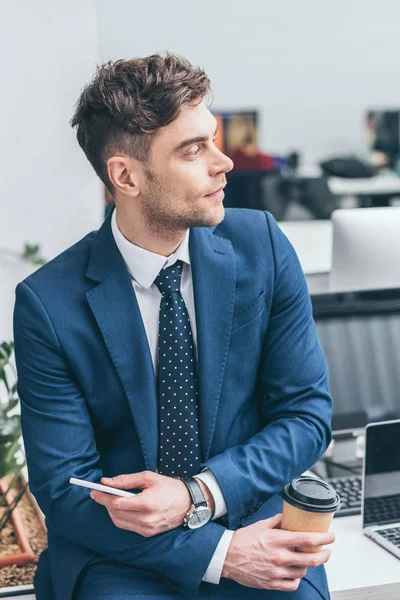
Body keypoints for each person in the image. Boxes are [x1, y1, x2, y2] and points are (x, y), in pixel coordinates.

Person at [13, 54, 334, 600]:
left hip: (249, 521)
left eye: (213, 139)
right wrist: (216, 555)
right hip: (121, 556)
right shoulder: (48, 302)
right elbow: (64, 491)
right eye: (194, 150)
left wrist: (199, 496)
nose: (224, 162)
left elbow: (305, 414)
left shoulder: (263, 246)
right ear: (126, 175)